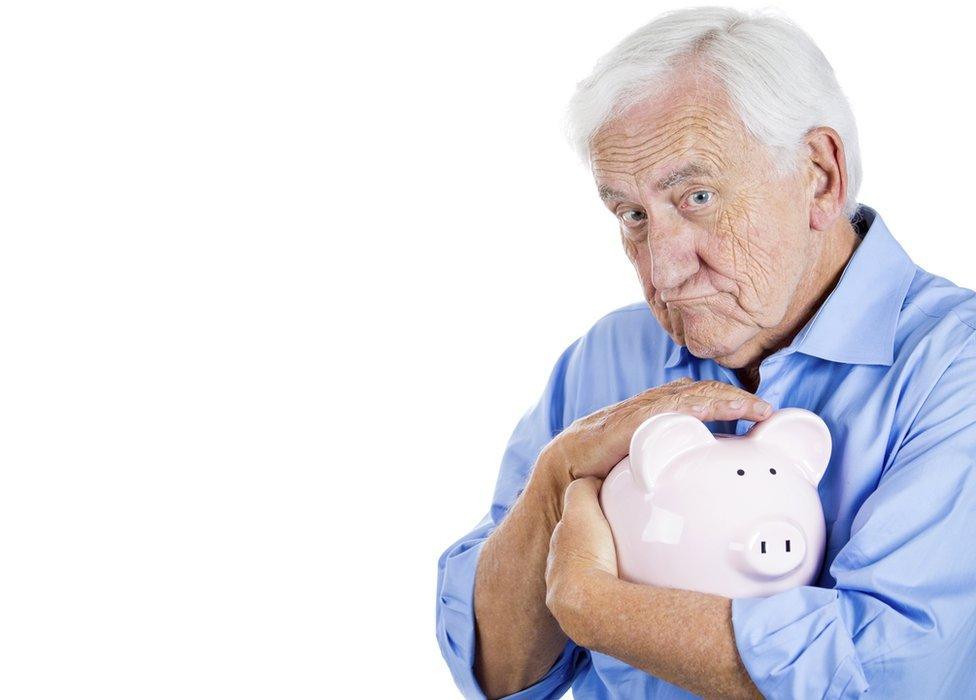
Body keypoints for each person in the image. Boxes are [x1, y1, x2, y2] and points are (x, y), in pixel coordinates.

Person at [435, 7, 976, 698]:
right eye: (632, 215)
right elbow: (499, 674)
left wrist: (593, 606)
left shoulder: (955, 367)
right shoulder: (607, 356)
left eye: (696, 196)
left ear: (819, 176)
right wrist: (553, 483)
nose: (661, 269)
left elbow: (892, 674)